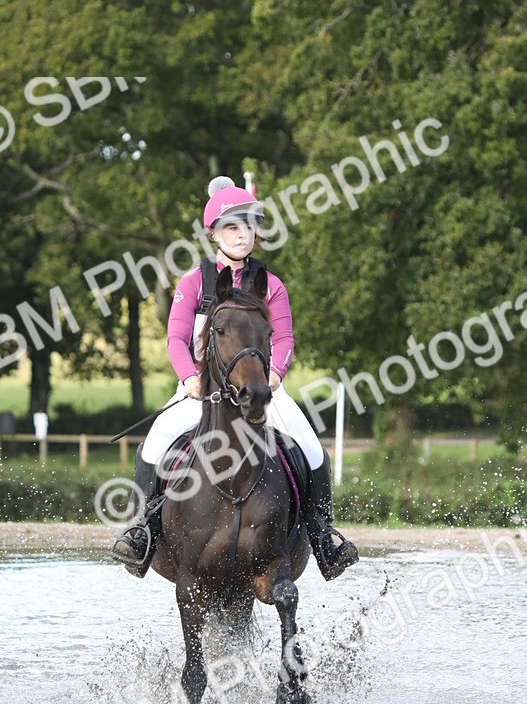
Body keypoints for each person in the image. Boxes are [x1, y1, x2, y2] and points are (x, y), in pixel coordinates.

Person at [112, 176, 359, 580]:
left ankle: (322, 536)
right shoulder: (194, 282)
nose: (242, 235)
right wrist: (189, 378)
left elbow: (285, 338)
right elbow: (175, 337)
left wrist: (276, 375)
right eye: (232, 227)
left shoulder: (270, 285)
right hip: (201, 389)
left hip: (262, 388)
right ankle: (141, 530)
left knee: (313, 449)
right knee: (153, 446)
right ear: (214, 233)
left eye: (248, 227)